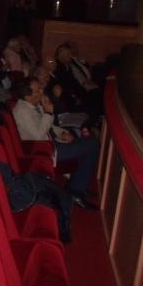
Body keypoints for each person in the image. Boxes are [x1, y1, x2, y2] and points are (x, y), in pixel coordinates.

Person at [12, 78, 100, 209]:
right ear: (27, 96)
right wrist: (48, 112)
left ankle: (77, 186)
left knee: (87, 142)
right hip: (44, 150)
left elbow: (50, 127)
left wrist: (62, 133)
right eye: (38, 90)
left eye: (40, 88)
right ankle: (76, 191)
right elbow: (38, 135)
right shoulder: (22, 111)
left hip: (51, 142)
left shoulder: (32, 104)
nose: (42, 91)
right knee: (92, 145)